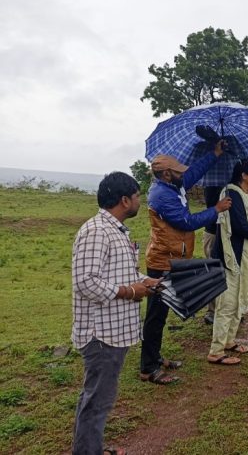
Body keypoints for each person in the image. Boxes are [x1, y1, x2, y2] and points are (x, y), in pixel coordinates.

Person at [71, 172, 161, 454]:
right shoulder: (97, 231)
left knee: (97, 397)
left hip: (115, 330)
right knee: (97, 400)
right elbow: (85, 282)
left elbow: (124, 272)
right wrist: (131, 292)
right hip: (101, 334)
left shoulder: (116, 230)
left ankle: (90, 447)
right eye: (137, 196)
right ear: (124, 200)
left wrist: (146, 281)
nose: (139, 201)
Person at [140, 141, 232, 385]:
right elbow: (187, 222)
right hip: (163, 262)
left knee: (161, 313)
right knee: (156, 315)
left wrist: (215, 153)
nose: (183, 174)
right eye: (178, 171)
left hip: (173, 257)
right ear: (167, 174)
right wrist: (216, 209)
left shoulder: (173, 186)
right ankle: (148, 367)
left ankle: (155, 357)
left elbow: (192, 173)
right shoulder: (162, 195)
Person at [208, 158, 248, 365]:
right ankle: (216, 351)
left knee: (237, 301)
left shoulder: (242, 194)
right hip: (231, 256)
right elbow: (240, 225)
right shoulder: (231, 194)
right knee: (227, 303)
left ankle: (229, 341)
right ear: (243, 175)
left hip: (242, 255)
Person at [202, 185, 222, 325]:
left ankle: (226, 308)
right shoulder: (212, 182)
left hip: (228, 232)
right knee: (213, 271)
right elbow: (212, 205)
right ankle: (212, 311)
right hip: (213, 231)